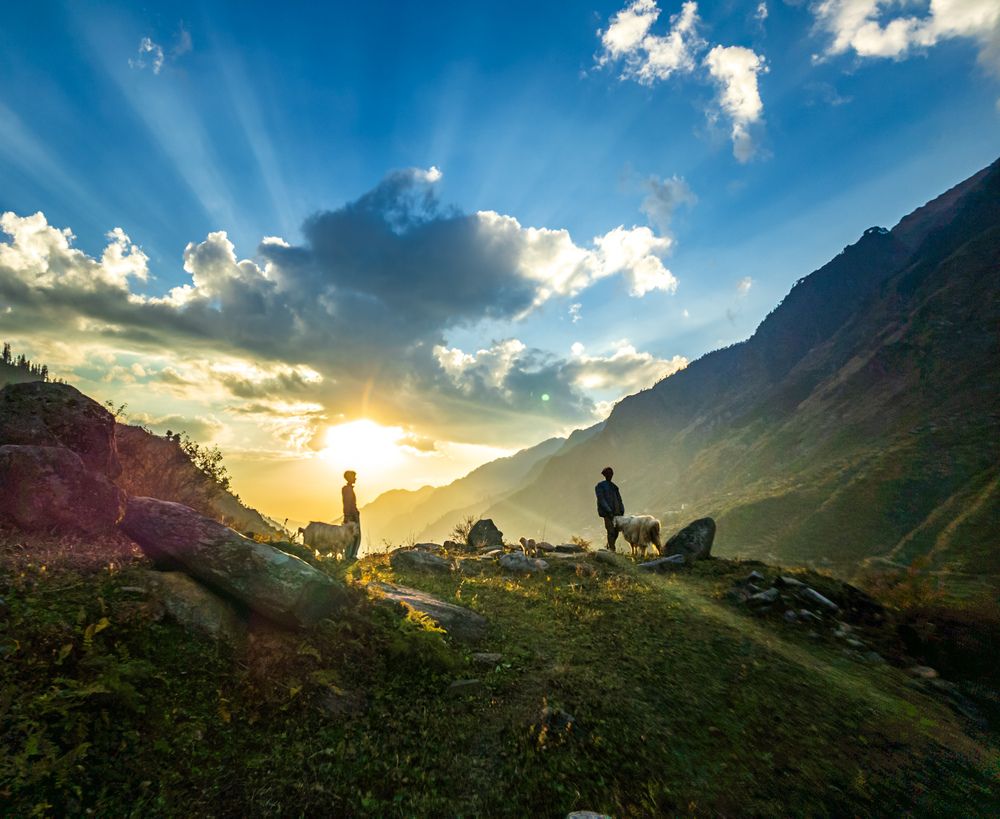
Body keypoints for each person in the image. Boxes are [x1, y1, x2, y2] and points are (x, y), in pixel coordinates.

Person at [595, 466, 625, 552]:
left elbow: (619, 499)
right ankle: (612, 549)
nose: (610, 475)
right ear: (605, 475)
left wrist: (622, 509)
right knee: (611, 531)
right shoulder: (600, 486)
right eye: (608, 474)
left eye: (611, 474)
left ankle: (610, 546)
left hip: (617, 513)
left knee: (616, 532)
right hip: (607, 514)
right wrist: (608, 510)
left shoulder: (614, 487)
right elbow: (601, 499)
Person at [342, 470, 361, 560]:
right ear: (349, 477)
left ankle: (350, 555)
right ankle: (350, 556)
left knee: (353, 536)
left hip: (351, 515)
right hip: (352, 516)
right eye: (354, 476)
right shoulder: (347, 489)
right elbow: (348, 504)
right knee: (353, 536)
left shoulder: (347, 489)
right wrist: (349, 516)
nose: (355, 478)